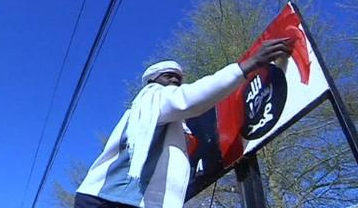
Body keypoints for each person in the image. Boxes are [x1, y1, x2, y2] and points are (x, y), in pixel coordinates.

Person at [75, 39, 291, 208]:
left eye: (179, 80)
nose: (175, 83)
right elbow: (188, 99)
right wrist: (249, 65)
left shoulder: (158, 121)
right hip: (111, 200)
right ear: (153, 81)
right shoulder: (152, 97)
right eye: (169, 77)